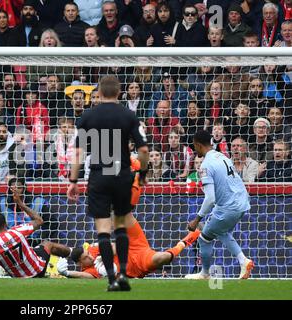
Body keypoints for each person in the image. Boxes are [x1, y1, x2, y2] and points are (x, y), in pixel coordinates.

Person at [67, 75, 149, 291]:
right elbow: (143, 150)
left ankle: (111, 279)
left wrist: (73, 180)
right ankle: (123, 274)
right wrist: (142, 173)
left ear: (100, 93)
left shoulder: (87, 116)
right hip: (121, 175)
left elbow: (77, 152)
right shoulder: (128, 115)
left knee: (103, 230)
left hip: (99, 176)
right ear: (120, 92)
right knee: (120, 227)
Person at [185, 130, 254, 280]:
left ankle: (204, 273)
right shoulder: (222, 156)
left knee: (204, 238)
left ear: (197, 145)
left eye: (194, 146)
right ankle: (244, 261)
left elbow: (210, 198)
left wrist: (196, 219)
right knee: (221, 231)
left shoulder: (205, 166)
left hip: (228, 207)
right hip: (242, 202)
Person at [57, 212, 201, 279]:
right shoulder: (91, 271)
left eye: (87, 252)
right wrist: (67, 273)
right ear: (81, 263)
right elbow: (82, 276)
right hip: (138, 263)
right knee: (162, 257)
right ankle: (186, 240)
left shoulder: (93, 251)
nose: (90, 255)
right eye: (86, 257)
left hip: (134, 245)